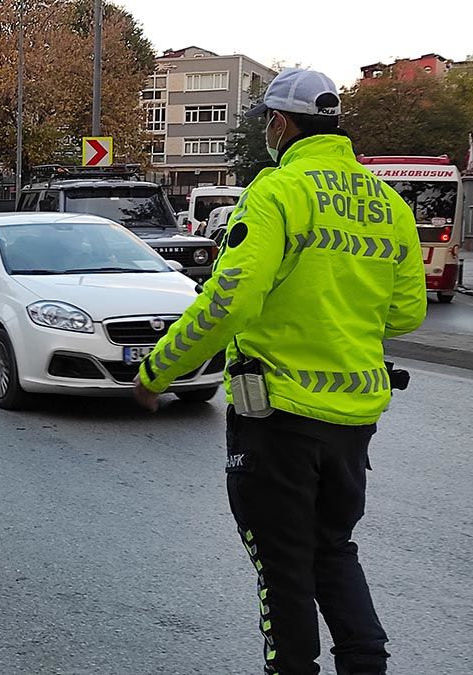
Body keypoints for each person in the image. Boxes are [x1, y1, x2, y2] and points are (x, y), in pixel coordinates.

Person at [132, 68, 427, 674]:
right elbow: (406, 312)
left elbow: (228, 300)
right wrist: (336, 311)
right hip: (353, 424)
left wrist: (157, 372)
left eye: (268, 122)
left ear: (281, 124)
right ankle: (366, 665)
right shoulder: (387, 203)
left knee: (282, 571)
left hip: (278, 420)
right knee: (332, 552)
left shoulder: (276, 192)